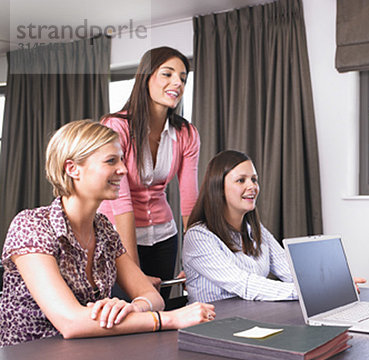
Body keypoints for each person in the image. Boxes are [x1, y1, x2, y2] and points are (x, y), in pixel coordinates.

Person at [0, 120, 214, 347]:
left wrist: (133, 306)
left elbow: (152, 296)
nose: (123, 169)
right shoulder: (31, 226)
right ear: (72, 169)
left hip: (88, 355)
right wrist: (170, 319)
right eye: (111, 161)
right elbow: (71, 322)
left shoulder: (103, 229)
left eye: (121, 159)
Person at [99, 46, 199, 300]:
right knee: (126, 316)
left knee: (159, 313)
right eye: (167, 74)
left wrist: (198, 259)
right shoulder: (116, 127)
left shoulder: (186, 133)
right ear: (145, 77)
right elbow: (121, 201)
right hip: (119, 240)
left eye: (183, 78)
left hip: (165, 237)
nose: (177, 82)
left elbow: (189, 199)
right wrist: (133, 270)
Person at [182, 150, 297, 302]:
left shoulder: (256, 230)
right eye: (241, 180)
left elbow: (290, 271)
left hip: (253, 315)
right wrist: (305, 293)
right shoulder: (198, 237)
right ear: (219, 188)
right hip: (216, 322)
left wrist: (324, 286)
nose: (252, 186)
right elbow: (245, 285)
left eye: (254, 180)